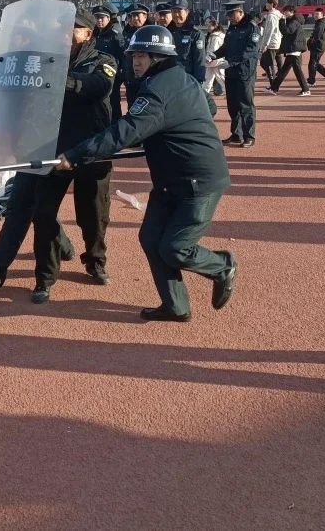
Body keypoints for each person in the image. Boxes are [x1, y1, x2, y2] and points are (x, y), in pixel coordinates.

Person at [54, 25, 236, 322]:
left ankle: (222, 266)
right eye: (134, 55)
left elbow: (126, 131)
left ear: (159, 57)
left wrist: (75, 155)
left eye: (142, 56)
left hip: (198, 182)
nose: (135, 61)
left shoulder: (158, 90)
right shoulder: (177, 78)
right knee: (151, 239)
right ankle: (176, 306)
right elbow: (208, 108)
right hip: (169, 180)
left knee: (176, 248)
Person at [29, 8, 118, 303]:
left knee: (93, 216)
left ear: (87, 33)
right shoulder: (47, 59)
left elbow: (98, 86)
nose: (64, 32)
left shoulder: (105, 61)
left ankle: (95, 261)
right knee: (43, 214)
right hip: (52, 148)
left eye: (72, 27)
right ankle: (45, 277)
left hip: (92, 150)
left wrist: (58, 80)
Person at [215, 2, 261, 148]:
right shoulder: (232, 28)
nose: (229, 17)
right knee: (232, 105)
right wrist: (213, 55)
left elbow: (251, 50)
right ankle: (236, 134)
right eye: (227, 14)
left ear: (240, 12)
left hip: (245, 72)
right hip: (231, 72)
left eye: (231, 14)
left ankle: (249, 135)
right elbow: (226, 47)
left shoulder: (251, 27)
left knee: (246, 104)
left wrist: (232, 62)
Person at [264, 5, 311, 96]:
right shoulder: (291, 21)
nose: (284, 13)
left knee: (297, 71)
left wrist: (281, 21)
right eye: (284, 11)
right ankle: (274, 88)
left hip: (294, 49)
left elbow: (286, 31)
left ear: (292, 12)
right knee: (284, 70)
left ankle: (306, 89)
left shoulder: (294, 22)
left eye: (286, 11)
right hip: (292, 49)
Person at [166, 0, 206, 83]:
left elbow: (199, 59)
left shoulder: (195, 33)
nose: (176, 15)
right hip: (170, 78)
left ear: (187, 12)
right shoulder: (168, 32)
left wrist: (198, 81)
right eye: (174, 11)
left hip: (187, 80)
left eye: (179, 11)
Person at [121, 3, 150, 108]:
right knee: (131, 106)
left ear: (145, 16)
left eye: (138, 15)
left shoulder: (151, 32)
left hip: (146, 78)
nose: (135, 18)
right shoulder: (128, 32)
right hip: (131, 77)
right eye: (133, 16)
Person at [307, 8, 325, 85]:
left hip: (317, 47)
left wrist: (310, 43)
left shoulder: (320, 24)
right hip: (317, 46)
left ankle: (311, 81)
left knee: (312, 64)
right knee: (315, 63)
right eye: (314, 14)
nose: (315, 15)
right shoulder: (319, 23)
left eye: (317, 14)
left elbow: (316, 36)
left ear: (323, 15)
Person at [259, 0, 283, 82]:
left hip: (271, 43)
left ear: (272, 4)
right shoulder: (278, 14)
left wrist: (265, 44)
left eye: (267, 3)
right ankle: (274, 79)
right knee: (264, 61)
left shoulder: (272, 16)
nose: (266, 4)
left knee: (268, 63)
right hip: (276, 41)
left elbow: (269, 32)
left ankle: (273, 83)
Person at [202, 17, 226, 96]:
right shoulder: (213, 35)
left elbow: (214, 49)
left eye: (210, 26)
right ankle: (204, 95)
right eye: (207, 26)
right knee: (207, 79)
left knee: (221, 78)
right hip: (212, 61)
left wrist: (208, 58)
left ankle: (232, 92)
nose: (208, 28)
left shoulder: (216, 37)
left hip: (216, 61)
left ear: (215, 26)